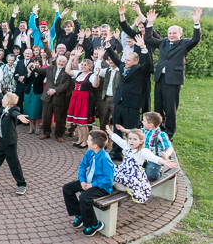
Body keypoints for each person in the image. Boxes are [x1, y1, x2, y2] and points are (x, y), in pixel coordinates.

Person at [144, 8, 202, 141]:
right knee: (158, 107)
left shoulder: (184, 44)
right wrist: (150, 24)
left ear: (180, 34)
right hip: (160, 78)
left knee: (170, 108)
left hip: (173, 80)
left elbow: (196, 39)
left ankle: (169, 132)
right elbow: (148, 38)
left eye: (174, 33)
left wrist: (196, 23)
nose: (171, 35)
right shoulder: (163, 42)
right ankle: (158, 129)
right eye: (170, 33)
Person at [104, 32, 153, 160]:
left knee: (130, 129)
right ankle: (116, 151)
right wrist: (108, 44)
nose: (125, 62)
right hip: (119, 103)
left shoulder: (141, 70)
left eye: (128, 60)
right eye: (125, 60)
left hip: (132, 104)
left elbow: (149, 64)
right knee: (117, 128)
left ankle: (133, 153)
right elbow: (114, 57)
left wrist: (143, 48)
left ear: (136, 62)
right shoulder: (122, 67)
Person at [62, 130, 114, 237]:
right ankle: (79, 214)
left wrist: (92, 185)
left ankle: (94, 225)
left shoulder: (105, 158)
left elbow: (108, 179)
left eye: (88, 140)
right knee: (67, 188)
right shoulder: (89, 152)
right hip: (88, 182)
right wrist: (82, 181)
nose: (86, 141)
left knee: (85, 198)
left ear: (95, 145)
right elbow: (82, 166)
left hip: (102, 187)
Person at [106, 126, 177, 203]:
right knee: (109, 170)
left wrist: (164, 162)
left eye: (135, 139)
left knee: (119, 184)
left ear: (141, 141)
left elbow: (153, 157)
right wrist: (110, 133)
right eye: (130, 139)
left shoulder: (143, 151)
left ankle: (130, 189)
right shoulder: (127, 146)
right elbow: (119, 140)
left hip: (133, 174)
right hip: (123, 170)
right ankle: (114, 185)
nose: (131, 141)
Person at [117, 112, 174, 181]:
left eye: (144, 121)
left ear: (150, 125)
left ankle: (157, 173)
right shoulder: (142, 130)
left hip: (153, 159)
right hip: (141, 156)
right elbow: (132, 132)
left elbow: (169, 147)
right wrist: (123, 130)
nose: (142, 122)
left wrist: (166, 154)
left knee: (150, 175)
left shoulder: (161, 135)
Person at [65, 49, 100, 148]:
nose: (83, 66)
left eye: (86, 65)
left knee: (83, 123)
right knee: (77, 121)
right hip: (76, 98)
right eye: (82, 64)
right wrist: (71, 59)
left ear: (90, 66)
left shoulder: (92, 75)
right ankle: (80, 139)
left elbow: (95, 85)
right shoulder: (79, 73)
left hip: (85, 99)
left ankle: (85, 141)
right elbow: (67, 70)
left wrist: (97, 75)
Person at [31, 55, 71, 142]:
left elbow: (66, 85)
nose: (61, 63)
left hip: (59, 97)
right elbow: (40, 70)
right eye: (60, 61)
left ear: (66, 63)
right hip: (47, 96)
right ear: (56, 61)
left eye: (63, 62)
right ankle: (46, 133)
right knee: (46, 116)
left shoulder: (67, 71)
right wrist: (33, 67)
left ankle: (59, 134)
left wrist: (55, 90)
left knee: (59, 117)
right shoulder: (50, 68)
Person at [23, 57, 43, 134]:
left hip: (37, 92)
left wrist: (36, 73)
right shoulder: (29, 71)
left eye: (37, 62)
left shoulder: (41, 72)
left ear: (40, 64)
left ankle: (37, 128)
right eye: (34, 62)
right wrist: (28, 73)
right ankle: (31, 127)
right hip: (28, 92)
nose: (35, 64)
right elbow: (25, 81)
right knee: (29, 110)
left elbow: (39, 81)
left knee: (36, 110)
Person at [13, 48, 33, 114]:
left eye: (28, 53)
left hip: (28, 85)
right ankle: (19, 119)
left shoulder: (33, 63)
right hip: (20, 86)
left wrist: (24, 78)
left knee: (28, 103)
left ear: (31, 54)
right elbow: (15, 74)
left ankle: (27, 118)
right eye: (26, 53)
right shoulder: (19, 62)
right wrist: (19, 78)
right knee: (19, 103)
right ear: (23, 54)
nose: (27, 55)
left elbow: (33, 74)